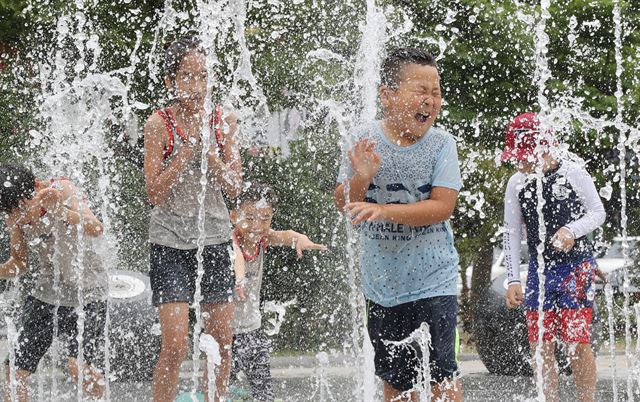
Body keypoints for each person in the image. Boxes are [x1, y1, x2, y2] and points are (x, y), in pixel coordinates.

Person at [334, 48, 463, 402]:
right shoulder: (364, 140)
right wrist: (361, 177)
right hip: (382, 285)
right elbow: (344, 202)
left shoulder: (442, 144)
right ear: (388, 95)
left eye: (435, 93)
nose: (431, 101)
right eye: (421, 91)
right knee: (396, 380)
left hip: (434, 279)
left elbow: (442, 206)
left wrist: (386, 211)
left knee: (442, 376)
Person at [143, 36, 242, 402]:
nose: (197, 86)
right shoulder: (158, 124)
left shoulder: (224, 120)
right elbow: (153, 192)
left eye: (203, 77)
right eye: (187, 77)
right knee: (175, 347)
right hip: (169, 243)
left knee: (223, 344)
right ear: (171, 81)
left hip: (215, 239)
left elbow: (234, 187)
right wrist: (185, 153)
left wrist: (211, 155)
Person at [502, 112, 605, 402]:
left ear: (545, 146)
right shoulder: (517, 183)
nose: (520, 162)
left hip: (576, 268)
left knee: (576, 342)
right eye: (516, 156)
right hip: (539, 270)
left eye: (524, 155)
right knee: (540, 343)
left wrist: (572, 230)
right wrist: (513, 278)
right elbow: (510, 232)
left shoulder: (573, 172)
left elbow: (598, 212)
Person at [0, 164, 107, 402]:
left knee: (78, 368)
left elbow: (96, 228)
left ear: (36, 187)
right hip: (48, 292)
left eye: (20, 208)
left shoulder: (64, 190)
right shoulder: (14, 218)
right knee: (14, 373)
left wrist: (60, 211)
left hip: (88, 292)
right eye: (9, 213)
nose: (17, 217)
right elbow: (20, 264)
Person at [229, 183, 326, 402]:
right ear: (234, 216)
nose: (257, 225)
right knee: (221, 390)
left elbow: (285, 236)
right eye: (250, 217)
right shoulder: (230, 240)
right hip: (225, 333)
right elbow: (237, 260)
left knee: (264, 393)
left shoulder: (262, 237)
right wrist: (240, 279)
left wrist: (301, 240)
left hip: (252, 329)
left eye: (265, 218)